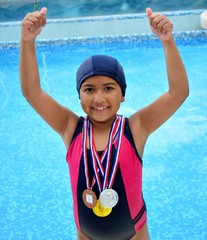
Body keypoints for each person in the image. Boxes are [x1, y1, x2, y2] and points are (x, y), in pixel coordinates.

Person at [20, 6, 189, 240]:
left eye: (109, 88)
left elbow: (178, 93)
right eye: (89, 89)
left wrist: (168, 42)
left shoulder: (136, 127)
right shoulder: (71, 128)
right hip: (86, 235)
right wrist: (27, 41)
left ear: (123, 94)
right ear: (80, 96)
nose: (99, 98)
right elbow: (32, 92)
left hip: (134, 234)